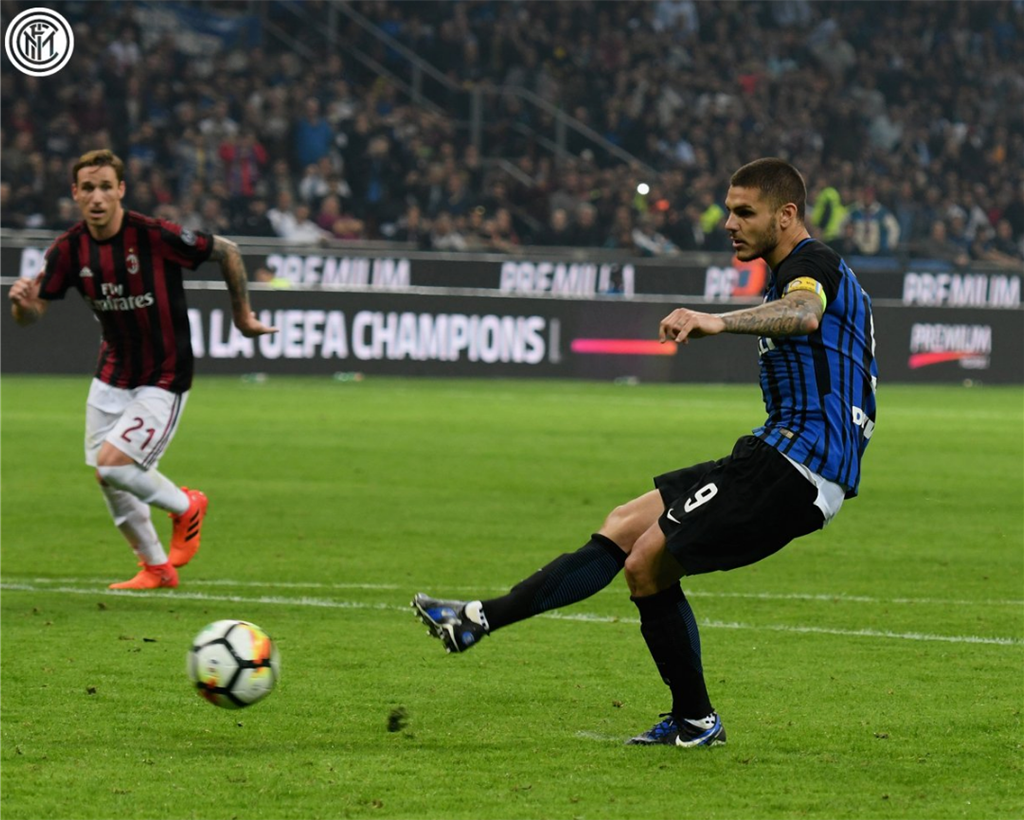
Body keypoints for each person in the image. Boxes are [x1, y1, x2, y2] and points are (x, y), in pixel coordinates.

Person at [413, 158, 878, 748]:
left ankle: (696, 721)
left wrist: (717, 321)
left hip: (799, 466)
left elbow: (805, 313)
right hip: (773, 452)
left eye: (744, 212)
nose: (729, 224)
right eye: (729, 210)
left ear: (786, 215)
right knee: (623, 526)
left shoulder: (811, 265)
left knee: (647, 565)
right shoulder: (798, 274)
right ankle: (478, 618)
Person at [8, 149, 277, 590]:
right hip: (112, 373)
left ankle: (187, 506)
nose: (97, 197)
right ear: (75, 193)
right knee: (107, 474)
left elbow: (227, 251)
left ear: (121, 190)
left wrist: (242, 316)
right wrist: (22, 304)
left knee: (114, 464)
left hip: (165, 373)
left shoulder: (153, 235)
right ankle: (156, 568)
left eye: (105, 187)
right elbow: (34, 313)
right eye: (88, 188)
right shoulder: (68, 250)